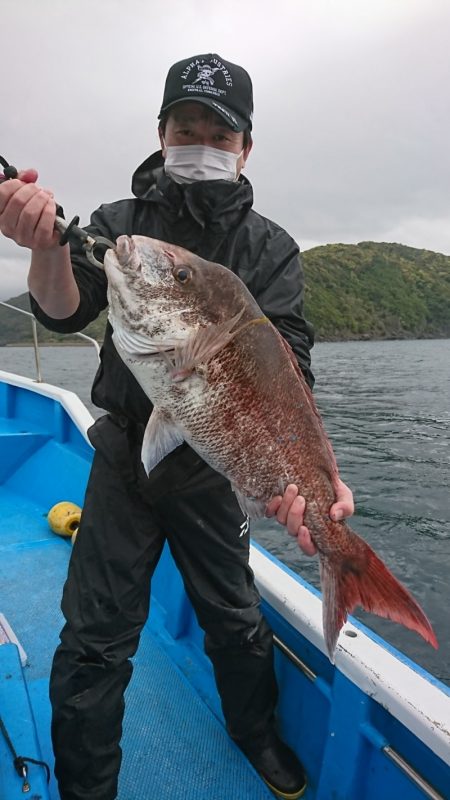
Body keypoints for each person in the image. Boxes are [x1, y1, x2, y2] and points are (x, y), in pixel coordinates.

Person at [0, 53, 354, 800]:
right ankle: (87, 788)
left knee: (236, 619)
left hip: (212, 470)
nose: (201, 144)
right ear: (161, 133)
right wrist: (44, 249)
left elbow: (288, 367)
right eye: (185, 128)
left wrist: (315, 477)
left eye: (219, 134)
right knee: (93, 639)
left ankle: (256, 737)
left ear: (245, 148)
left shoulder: (271, 250)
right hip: (126, 457)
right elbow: (64, 309)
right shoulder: (118, 224)